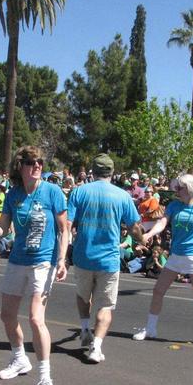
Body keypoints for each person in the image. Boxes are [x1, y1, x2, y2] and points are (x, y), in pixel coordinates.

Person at [0, 146, 68, 385]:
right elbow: (3, 230)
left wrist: (62, 260)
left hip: (43, 263)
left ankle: (45, 379)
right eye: (31, 162)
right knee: (6, 315)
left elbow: (64, 229)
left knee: (36, 319)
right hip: (17, 260)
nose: (37, 165)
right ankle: (19, 358)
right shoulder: (14, 195)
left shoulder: (52, 192)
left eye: (39, 161)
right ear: (21, 166)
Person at [132, 174, 193, 347]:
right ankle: (150, 328)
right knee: (158, 291)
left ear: (190, 190)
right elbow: (162, 223)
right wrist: (148, 234)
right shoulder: (174, 206)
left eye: (180, 187)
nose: (176, 190)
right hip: (176, 255)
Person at [66, 153, 143, 363]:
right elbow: (134, 226)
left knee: (83, 296)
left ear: (93, 170)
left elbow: (67, 224)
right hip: (108, 259)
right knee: (105, 305)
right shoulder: (122, 196)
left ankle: (84, 329)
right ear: (112, 171)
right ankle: (96, 347)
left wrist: (63, 251)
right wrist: (142, 239)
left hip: (83, 256)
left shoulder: (79, 192)